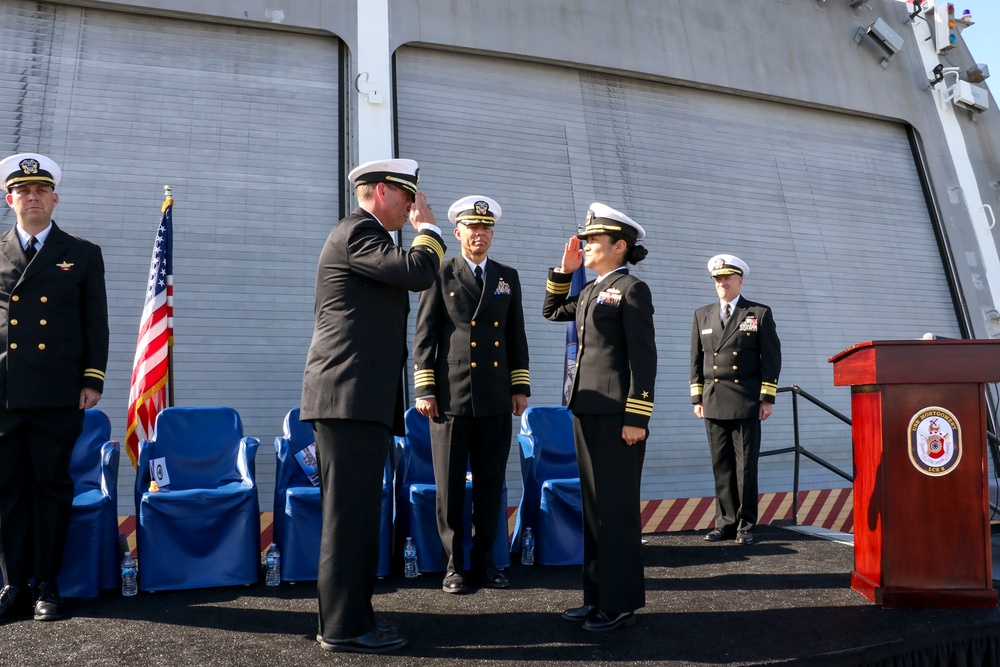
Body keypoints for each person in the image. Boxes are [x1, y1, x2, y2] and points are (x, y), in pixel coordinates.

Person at [300, 158, 445, 654]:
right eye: (407, 196)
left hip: (359, 400)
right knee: (348, 518)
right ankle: (342, 627)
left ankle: (351, 619)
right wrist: (428, 230)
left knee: (359, 516)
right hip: (347, 398)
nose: (413, 205)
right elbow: (419, 271)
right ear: (380, 191)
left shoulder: (368, 236)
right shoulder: (357, 232)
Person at [0, 153, 109, 624]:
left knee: (50, 487)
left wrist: (92, 379)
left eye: (41, 191)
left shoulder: (81, 252)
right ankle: (13, 583)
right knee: (7, 490)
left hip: (57, 391)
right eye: (24, 192)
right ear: (10, 200)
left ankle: (47, 582)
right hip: (4, 392)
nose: (33, 197)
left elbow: (95, 323)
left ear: (55, 198)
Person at [542, 203, 656, 632]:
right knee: (594, 510)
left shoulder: (631, 289)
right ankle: (596, 597)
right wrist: (563, 270)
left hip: (617, 416)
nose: (586, 245)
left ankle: (621, 601)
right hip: (586, 410)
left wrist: (637, 416)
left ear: (619, 246)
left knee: (617, 511)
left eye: (594, 241)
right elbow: (553, 312)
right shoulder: (590, 289)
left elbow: (643, 358)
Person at [412, 195, 530, 595]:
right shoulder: (440, 274)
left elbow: (516, 336)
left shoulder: (506, 276)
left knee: (489, 484)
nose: (480, 234)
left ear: (492, 233)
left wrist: (519, 387)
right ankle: (452, 566)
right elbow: (425, 337)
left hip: (496, 398)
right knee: (449, 489)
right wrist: (425, 387)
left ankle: (487, 563)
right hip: (450, 400)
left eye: (486, 228)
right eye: (472, 228)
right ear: (458, 232)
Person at [690, 254, 781, 546]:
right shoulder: (702, 314)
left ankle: (745, 525)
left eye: (727, 277)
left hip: (745, 401)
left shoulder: (757, 313)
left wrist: (766, 399)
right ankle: (725, 523)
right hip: (713, 399)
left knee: (745, 467)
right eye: (717, 279)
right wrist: (697, 397)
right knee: (722, 465)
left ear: (740, 280)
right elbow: (696, 359)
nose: (722, 283)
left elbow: (771, 358)